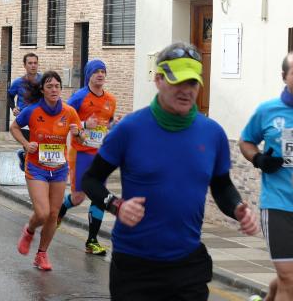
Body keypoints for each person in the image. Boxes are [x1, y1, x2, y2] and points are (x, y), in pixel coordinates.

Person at [81, 42, 259, 300]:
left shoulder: (212, 134)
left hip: (187, 265)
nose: (187, 91)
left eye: (193, 83)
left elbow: (221, 185)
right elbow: (91, 179)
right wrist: (116, 205)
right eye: (178, 82)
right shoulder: (129, 129)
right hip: (135, 265)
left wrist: (237, 207)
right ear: (159, 80)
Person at [11, 71, 84, 271]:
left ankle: (42, 254)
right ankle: (29, 230)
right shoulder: (33, 110)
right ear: (42, 90)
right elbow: (14, 128)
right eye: (49, 86)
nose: (53, 89)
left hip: (59, 169)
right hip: (36, 167)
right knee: (42, 213)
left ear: (61, 89)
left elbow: (82, 139)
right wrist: (26, 144)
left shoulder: (69, 112)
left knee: (53, 214)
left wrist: (78, 134)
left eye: (57, 86)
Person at [239, 51, 293, 301]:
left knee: (288, 278)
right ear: (285, 76)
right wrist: (259, 159)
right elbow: (246, 141)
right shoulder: (268, 110)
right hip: (278, 203)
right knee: (289, 279)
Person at [57, 59, 116, 255]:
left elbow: (108, 123)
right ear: (89, 75)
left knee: (100, 197)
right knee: (78, 198)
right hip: (80, 153)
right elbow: (63, 119)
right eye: (96, 71)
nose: (100, 74)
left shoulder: (111, 100)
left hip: (100, 156)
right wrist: (83, 125)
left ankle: (92, 241)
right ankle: (60, 211)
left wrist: (113, 126)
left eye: (103, 71)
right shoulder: (79, 97)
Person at [9, 53, 43, 172]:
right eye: (30, 63)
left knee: (38, 146)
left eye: (35, 63)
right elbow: (9, 96)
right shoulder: (18, 82)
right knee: (30, 146)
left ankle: (24, 156)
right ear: (25, 65)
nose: (33, 66)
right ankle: (30, 168)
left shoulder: (43, 80)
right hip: (24, 119)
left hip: (40, 118)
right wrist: (13, 107)